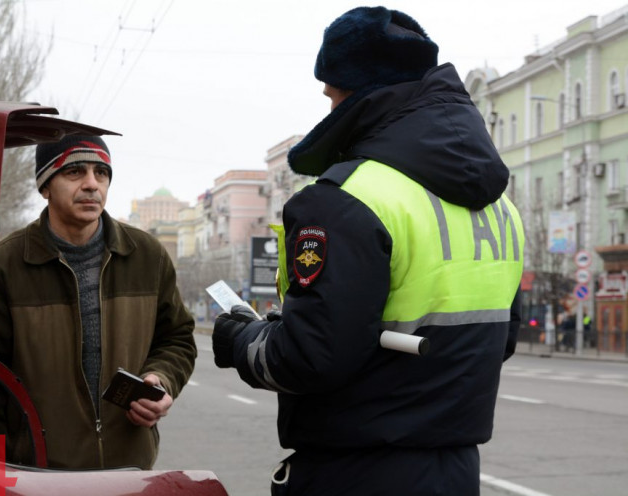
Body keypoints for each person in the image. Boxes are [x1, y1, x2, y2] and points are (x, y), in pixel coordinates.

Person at [212, 6, 525, 495]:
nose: (329, 110)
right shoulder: (501, 207)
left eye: (332, 95)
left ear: (359, 93)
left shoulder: (346, 198)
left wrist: (240, 341)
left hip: (356, 473)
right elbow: (498, 340)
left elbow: (310, 358)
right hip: (456, 472)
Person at [0, 135, 196, 470]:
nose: (91, 185)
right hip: (36, 476)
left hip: (128, 472)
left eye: (101, 173)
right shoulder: (5, 265)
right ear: (45, 186)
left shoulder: (147, 256)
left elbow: (178, 338)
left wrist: (161, 378)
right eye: (74, 172)